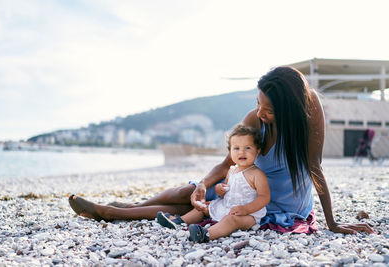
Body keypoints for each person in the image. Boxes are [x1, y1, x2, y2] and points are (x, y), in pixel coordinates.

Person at [68, 66, 374, 235]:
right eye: (258, 103)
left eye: (267, 108)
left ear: (289, 108)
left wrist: (332, 223)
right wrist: (204, 184)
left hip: (278, 201)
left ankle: (112, 212)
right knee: (187, 193)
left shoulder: (310, 112)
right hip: (243, 185)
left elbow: (315, 168)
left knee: (184, 212)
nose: (259, 112)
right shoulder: (254, 119)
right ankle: (127, 206)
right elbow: (228, 162)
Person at [157, 124, 270, 243]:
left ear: (257, 151)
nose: (241, 152)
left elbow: (264, 197)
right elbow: (224, 191)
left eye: (247, 148)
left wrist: (246, 209)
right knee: (203, 206)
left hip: (248, 215)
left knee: (231, 220)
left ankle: (206, 234)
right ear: (230, 151)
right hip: (227, 206)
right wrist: (219, 190)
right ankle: (179, 221)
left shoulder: (257, 174)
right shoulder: (231, 170)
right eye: (236, 148)